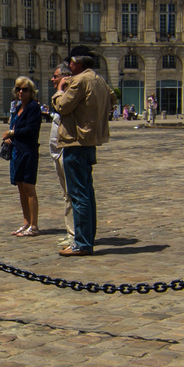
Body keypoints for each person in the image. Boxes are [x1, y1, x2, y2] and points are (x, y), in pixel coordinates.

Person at [51, 46, 114, 256]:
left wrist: (59, 91)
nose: (68, 65)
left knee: (78, 194)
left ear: (77, 62)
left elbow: (62, 106)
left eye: (71, 61)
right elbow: (112, 99)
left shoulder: (78, 81)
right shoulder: (100, 80)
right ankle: (86, 239)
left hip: (75, 141)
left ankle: (82, 243)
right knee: (87, 193)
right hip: (91, 141)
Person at [4, 77, 45, 235]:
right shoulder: (18, 107)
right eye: (18, 89)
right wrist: (10, 137)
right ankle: (26, 222)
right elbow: (13, 126)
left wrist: (12, 133)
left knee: (29, 188)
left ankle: (34, 226)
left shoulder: (34, 107)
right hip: (17, 150)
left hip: (28, 151)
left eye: (24, 89)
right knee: (20, 187)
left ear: (31, 91)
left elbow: (31, 129)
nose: (21, 92)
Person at [45, 65, 74, 237]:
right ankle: (72, 233)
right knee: (66, 194)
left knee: (71, 194)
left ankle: (74, 235)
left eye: (56, 76)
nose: (52, 80)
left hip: (66, 149)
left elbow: (62, 108)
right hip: (58, 150)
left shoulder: (69, 96)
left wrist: (61, 89)